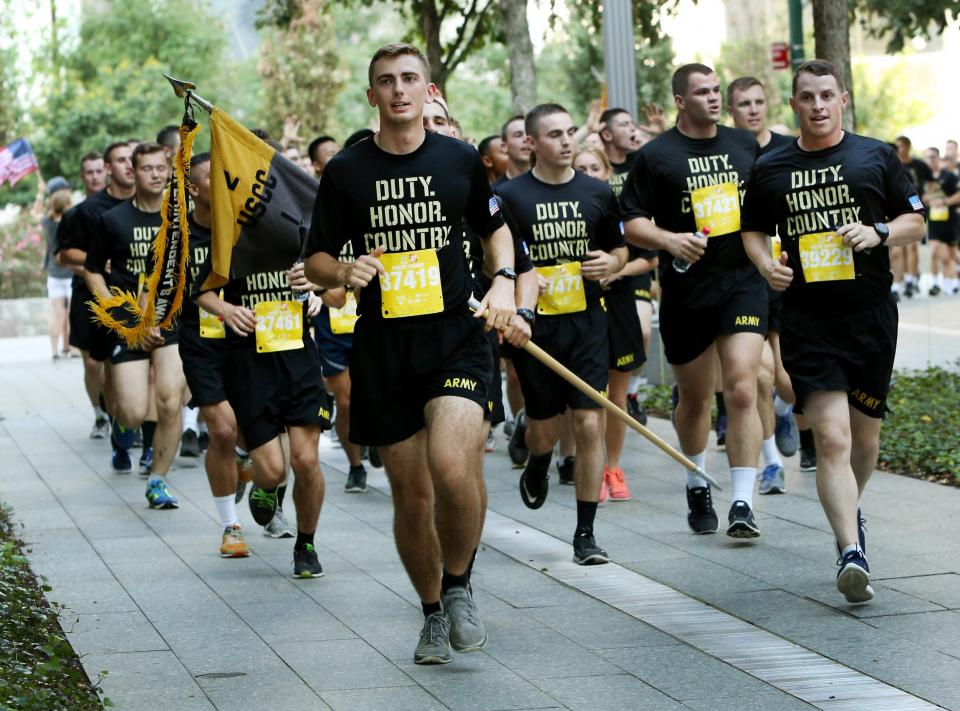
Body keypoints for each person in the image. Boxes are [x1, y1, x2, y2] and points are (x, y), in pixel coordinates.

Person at [304, 43, 520, 665]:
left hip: (455, 337)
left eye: (409, 79)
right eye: (385, 82)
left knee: (453, 468)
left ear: (428, 90)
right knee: (411, 493)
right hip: (383, 348)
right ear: (370, 95)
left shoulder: (458, 159)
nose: (398, 90)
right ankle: (430, 612)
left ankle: (459, 586)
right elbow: (317, 259)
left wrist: (502, 282)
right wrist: (345, 267)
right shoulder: (347, 171)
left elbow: (494, 227)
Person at [741, 59, 925, 603]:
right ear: (793, 104)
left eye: (827, 95)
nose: (817, 105)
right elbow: (752, 230)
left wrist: (878, 231)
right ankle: (850, 551)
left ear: (842, 99)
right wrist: (763, 263)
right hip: (807, 319)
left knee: (864, 439)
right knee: (834, 437)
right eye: (806, 97)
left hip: (869, 318)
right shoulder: (772, 167)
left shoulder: (876, 155)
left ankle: (851, 511)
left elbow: (916, 219)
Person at [621, 63, 766, 538]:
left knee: (742, 386)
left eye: (717, 90)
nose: (713, 98)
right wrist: (670, 240)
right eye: (702, 92)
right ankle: (696, 478)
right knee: (696, 397)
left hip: (742, 280)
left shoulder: (744, 143)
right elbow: (632, 222)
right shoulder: (657, 155)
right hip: (687, 289)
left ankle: (743, 501)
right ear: (680, 101)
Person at [496, 104, 627, 560]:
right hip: (534, 331)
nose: (567, 141)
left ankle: (585, 533)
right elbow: (495, 262)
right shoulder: (509, 196)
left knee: (591, 422)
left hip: (587, 325)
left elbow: (619, 249)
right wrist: (520, 285)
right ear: (531, 143)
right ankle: (537, 458)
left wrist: (611, 263)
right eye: (554, 134)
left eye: (570, 131)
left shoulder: (597, 192)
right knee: (544, 430)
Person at [84, 142, 185, 508]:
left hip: (171, 323)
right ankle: (121, 427)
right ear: (133, 172)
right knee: (131, 410)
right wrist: (120, 315)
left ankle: (158, 480)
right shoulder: (112, 220)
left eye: (162, 168)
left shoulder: (181, 218)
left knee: (170, 400)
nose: (156, 175)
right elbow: (92, 270)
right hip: (129, 325)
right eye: (147, 168)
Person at [727, 76, 801, 494]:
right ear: (731, 111)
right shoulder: (726, 152)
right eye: (744, 104)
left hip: (788, 276)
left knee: (787, 382)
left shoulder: (788, 149)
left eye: (759, 102)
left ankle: (786, 412)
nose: (753, 110)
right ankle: (771, 461)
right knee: (759, 374)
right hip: (743, 277)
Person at [174, 152, 251, 557]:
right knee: (220, 430)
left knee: (247, 434)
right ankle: (230, 526)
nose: (222, 185)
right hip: (201, 342)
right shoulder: (179, 235)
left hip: (248, 341)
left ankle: (242, 459)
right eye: (211, 178)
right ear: (194, 187)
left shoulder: (245, 227)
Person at [57, 144, 136, 446]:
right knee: (94, 363)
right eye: (88, 172)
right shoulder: (82, 212)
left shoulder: (149, 205)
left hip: (134, 296)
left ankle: (128, 423)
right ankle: (102, 414)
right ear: (107, 168)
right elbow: (63, 255)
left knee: (124, 364)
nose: (128, 166)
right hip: (89, 294)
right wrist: (95, 260)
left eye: (132, 160)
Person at [890, 135, 932, 300]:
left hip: (909, 215)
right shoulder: (879, 171)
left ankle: (909, 280)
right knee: (896, 252)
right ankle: (896, 285)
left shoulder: (905, 172)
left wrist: (918, 211)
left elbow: (913, 195)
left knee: (910, 248)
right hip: (892, 217)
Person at [41, 177, 74, 360]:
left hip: (54, 273)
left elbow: (41, 212)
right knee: (70, 314)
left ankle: (54, 350)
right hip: (70, 272)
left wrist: (41, 194)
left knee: (56, 313)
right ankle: (70, 348)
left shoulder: (46, 221)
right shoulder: (71, 220)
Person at [923, 147, 960, 295]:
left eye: (932, 157)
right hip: (933, 221)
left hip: (950, 220)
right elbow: (918, 196)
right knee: (933, 252)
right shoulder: (924, 178)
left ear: (938, 158)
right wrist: (926, 201)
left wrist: (944, 201)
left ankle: (951, 283)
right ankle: (935, 283)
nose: (930, 160)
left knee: (951, 254)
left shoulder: (949, 176)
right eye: (927, 157)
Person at [494, 114, 531, 186]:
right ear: (504, 147)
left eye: (530, 135)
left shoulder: (552, 184)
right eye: (518, 135)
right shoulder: (495, 193)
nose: (526, 139)